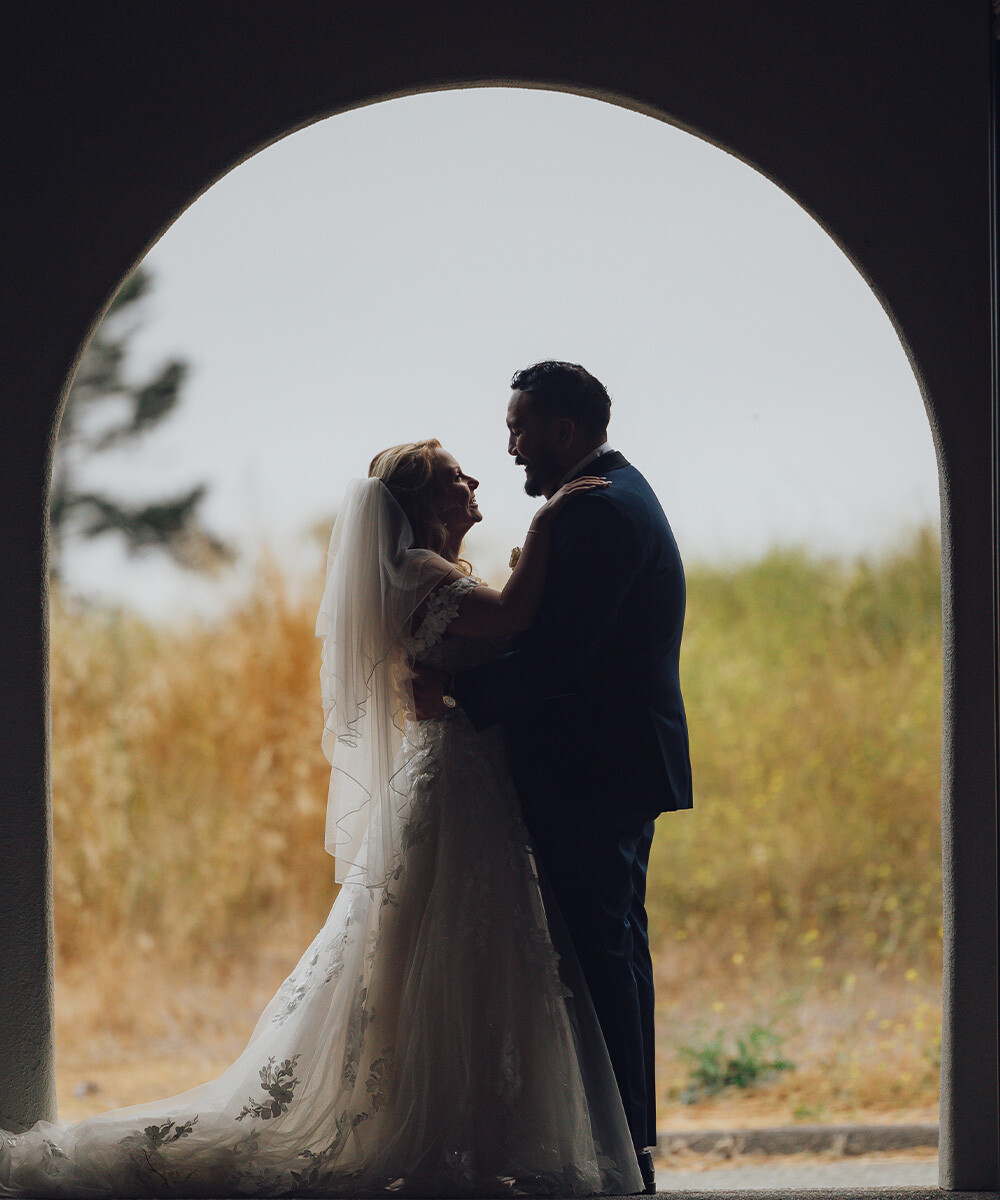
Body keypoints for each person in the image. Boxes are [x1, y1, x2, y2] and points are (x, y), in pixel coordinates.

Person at [0, 438, 643, 1198]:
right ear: (416, 507)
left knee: (465, 955)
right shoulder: (422, 574)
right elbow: (517, 613)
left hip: (469, 784)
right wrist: (546, 526)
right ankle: (446, 1124)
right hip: (461, 791)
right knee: (464, 947)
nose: (471, 481)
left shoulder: (428, 572)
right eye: (449, 480)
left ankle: (474, 1123)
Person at [416, 363, 693, 1195]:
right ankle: (622, 1142)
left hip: (592, 767)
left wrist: (458, 691)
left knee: (601, 955)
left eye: (518, 429)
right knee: (611, 950)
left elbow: (560, 654)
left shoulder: (596, 510)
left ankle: (623, 1151)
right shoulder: (612, 492)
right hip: (611, 762)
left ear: (563, 432)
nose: (508, 448)